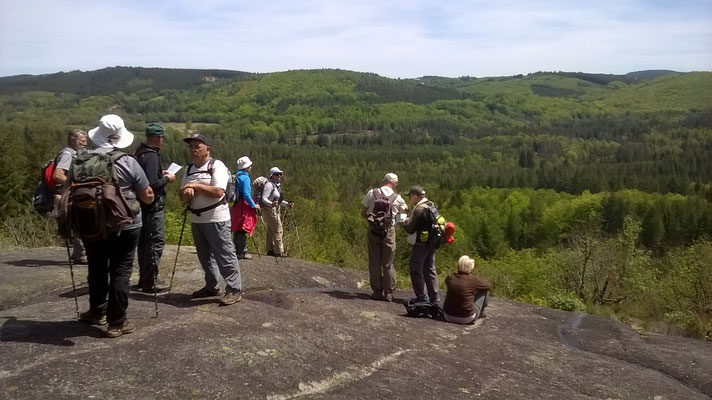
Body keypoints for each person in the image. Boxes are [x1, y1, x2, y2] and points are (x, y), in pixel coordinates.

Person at [78, 114, 154, 338]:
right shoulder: (127, 161)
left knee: (96, 267)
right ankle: (117, 322)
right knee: (121, 270)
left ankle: (96, 311)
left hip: (92, 222)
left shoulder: (83, 160)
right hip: (126, 224)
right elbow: (147, 195)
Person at [180, 133, 242, 306]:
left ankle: (234, 288)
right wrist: (186, 193)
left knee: (224, 253)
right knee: (204, 256)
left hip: (216, 218)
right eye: (191, 146)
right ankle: (211, 286)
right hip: (196, 218)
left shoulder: (217, 166)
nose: (192, 150)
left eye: (196, 146)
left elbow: (218, 192)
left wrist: (195, 186)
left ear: (207, 149)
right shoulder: (189, 169)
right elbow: (181, 195)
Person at [132, 123, 175, 293]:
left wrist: (159, 174)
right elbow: (151, 184)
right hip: (152, 206)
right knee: (155, 242)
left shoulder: (139, 153)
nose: (163, 141)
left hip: (140, 206)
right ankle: (151, 281)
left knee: (143, 243)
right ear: (158, 138)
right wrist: (167, 179)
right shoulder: (151, 156)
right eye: (162, 138)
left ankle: (144, 279)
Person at [360, 173, 408, 302]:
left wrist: (374, 221)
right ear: (395, 184)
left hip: (373, 230)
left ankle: (376, 292)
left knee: (374, 262)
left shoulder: (372, 193)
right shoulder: (398, 198)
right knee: (388, 263)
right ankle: (388, 293)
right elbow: (402, 218)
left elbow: (363, 213)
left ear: (384, 181)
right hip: (389, 232)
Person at [52, 129, 88, 263]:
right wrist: (75, 184)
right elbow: (57, 175)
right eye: (82, 141)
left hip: (68, 193)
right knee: (77, 222)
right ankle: (81, 255)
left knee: (76, 222)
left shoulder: (74, 153)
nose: (85, 144)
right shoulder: (67, 154)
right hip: (66, 194)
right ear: (73, 141)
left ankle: (79, 254)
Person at [402, 185, 441, 304]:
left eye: (410, 196)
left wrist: (404, 222)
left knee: (415, 269)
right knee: (430, 269)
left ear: (415, 196)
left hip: (420, 243)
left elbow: (410, 229)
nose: (409, 199)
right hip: (432, 242)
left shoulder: (419, 209)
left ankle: (422, 297)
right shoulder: (431, 205)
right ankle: (434, 297)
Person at [443, 256, 491, 324]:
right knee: (484, 291)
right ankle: (481, 313)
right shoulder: (473, 279)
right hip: (466, 318)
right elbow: (487, 286)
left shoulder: (450, 277)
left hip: (448, 316)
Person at [230, 156, 260, 259]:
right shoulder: (245, 178)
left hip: (235, 205)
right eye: (250, 166)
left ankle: (236, 249)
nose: (251, 167)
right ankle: (242, 251)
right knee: (242, 228)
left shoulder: (235, 175)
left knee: (236, 228)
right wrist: (253, 205)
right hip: (243, 206)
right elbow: (247, 194)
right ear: (247, 167)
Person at [260, 167, 294, 257]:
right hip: (269, 210)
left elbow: (278, 201)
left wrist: (287, 204)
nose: (279, 176)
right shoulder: (269, 185)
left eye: (280, 174)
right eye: (277, 174)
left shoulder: (276, 185)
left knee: (271, 230)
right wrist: (272, 204)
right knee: (278, 229)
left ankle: (270, 250)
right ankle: (279, 251)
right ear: (272, 175)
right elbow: (264, 198)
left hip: (273, 209)